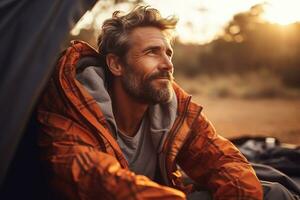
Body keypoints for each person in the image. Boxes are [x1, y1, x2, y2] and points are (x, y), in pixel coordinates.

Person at [36, 6, 263, 200]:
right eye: (152, 52)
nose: (167, 64)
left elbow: (222, 160)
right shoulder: (72, 110)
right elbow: (94, 179)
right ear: (116, 64)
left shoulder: (174, 109)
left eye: (168, 53)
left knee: (274, 191)